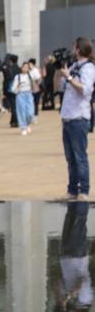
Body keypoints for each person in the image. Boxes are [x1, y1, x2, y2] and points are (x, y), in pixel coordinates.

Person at [60, 37, 95, 201]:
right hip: (67, 117)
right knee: (70, 157)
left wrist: (68, 78)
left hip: (79, 118)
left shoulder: (89, 68)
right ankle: (72, 189)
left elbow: (85, 91)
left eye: (74, 47)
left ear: (79, 49)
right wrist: (63, 72)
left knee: (80, 156)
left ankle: (84, 190)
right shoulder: (74, 66)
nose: (72, 50)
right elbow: (63, 87)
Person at [12, 62, 35, 136]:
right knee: (21, 112)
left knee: (30, 112)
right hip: (20, 95)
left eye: (27, 67)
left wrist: (32, 68)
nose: (25, 68)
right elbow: (13, 88)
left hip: (29, 94)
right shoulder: (17, 77)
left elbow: (37, 76)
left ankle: (27, 124)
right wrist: (17, 88)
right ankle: (23, 127)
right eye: (24, 67)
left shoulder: (30, 75)